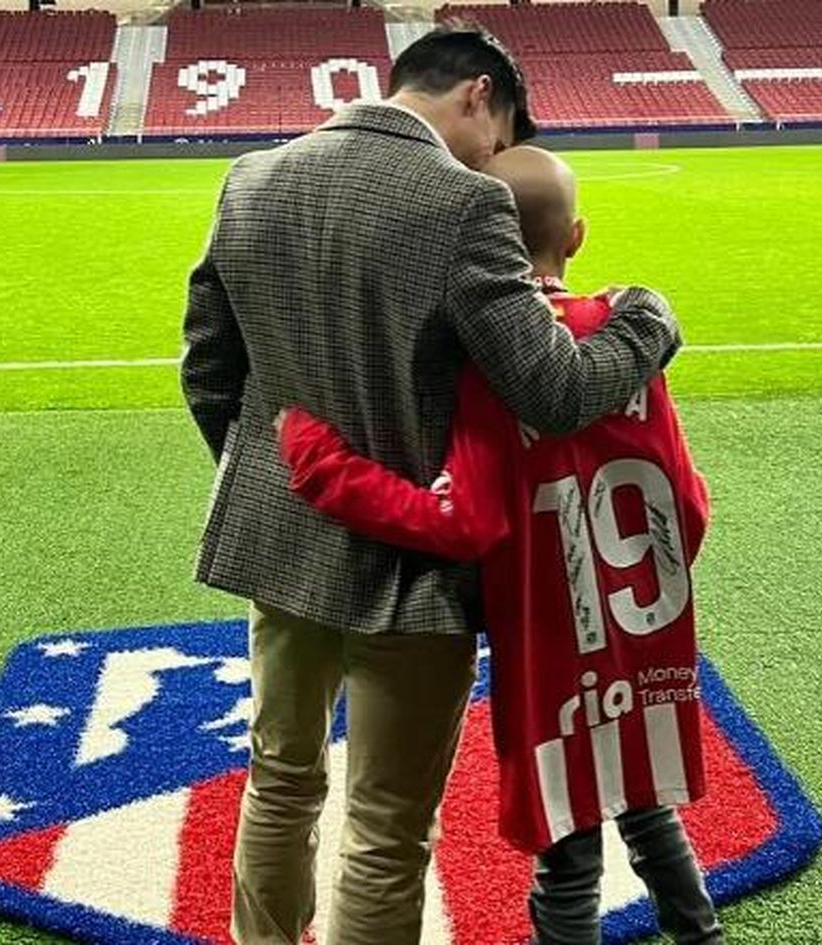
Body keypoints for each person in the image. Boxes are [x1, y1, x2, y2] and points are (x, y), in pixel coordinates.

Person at [180, 23, 684, 945]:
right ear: (477, 94)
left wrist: (279, 486)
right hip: (414, 569)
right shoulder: (466, 203)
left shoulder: (249, 178)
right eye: (499, 138)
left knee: (279, 780)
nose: (494, 161)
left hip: (282, 549)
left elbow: (210, 370)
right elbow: (554, 389)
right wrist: (648, 319)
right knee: (386, 820)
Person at [276, 146, 722, 945]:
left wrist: (319, 459)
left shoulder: (486, 362)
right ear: (576, 236)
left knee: (569, 844)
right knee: (643, 798)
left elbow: (466, 523)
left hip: (551, 636)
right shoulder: (627, 335)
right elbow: (688, 502)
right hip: (641, 625)